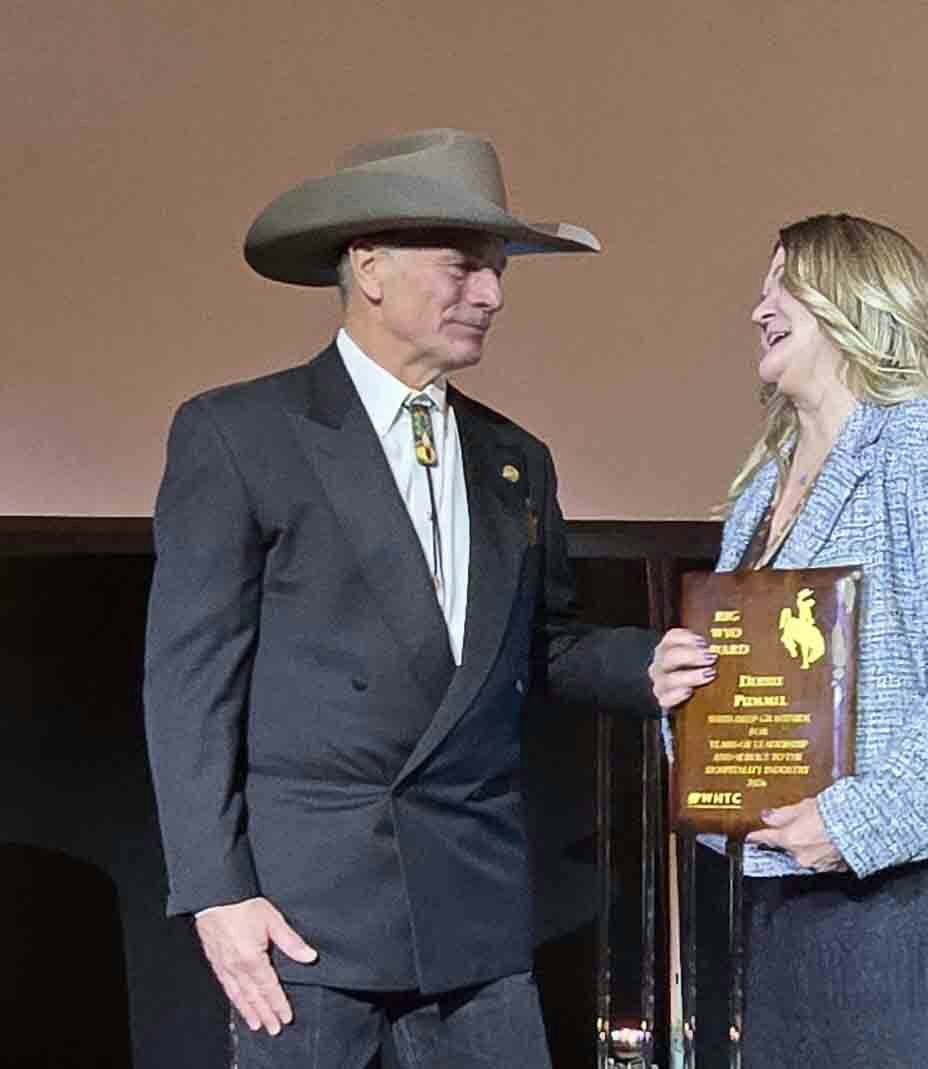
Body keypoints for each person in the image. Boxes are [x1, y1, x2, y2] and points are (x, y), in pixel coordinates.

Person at [143, 128, 688, 1067]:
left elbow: (537, 645)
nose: (491, 293)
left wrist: (648, 662)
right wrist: (215, 892)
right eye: (463, 266)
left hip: (471, 912)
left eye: (498, 270)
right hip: (303, 923)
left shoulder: (515, 460)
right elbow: (189, 683)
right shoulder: (242, 433)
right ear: (370, 267)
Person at [649, 212, 928, 1066]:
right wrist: (683, 697)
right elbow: (749, 693)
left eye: (780, 284)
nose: (757, 307)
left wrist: (863, 819)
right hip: (795, 890)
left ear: (853, 297)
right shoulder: (769, 481)